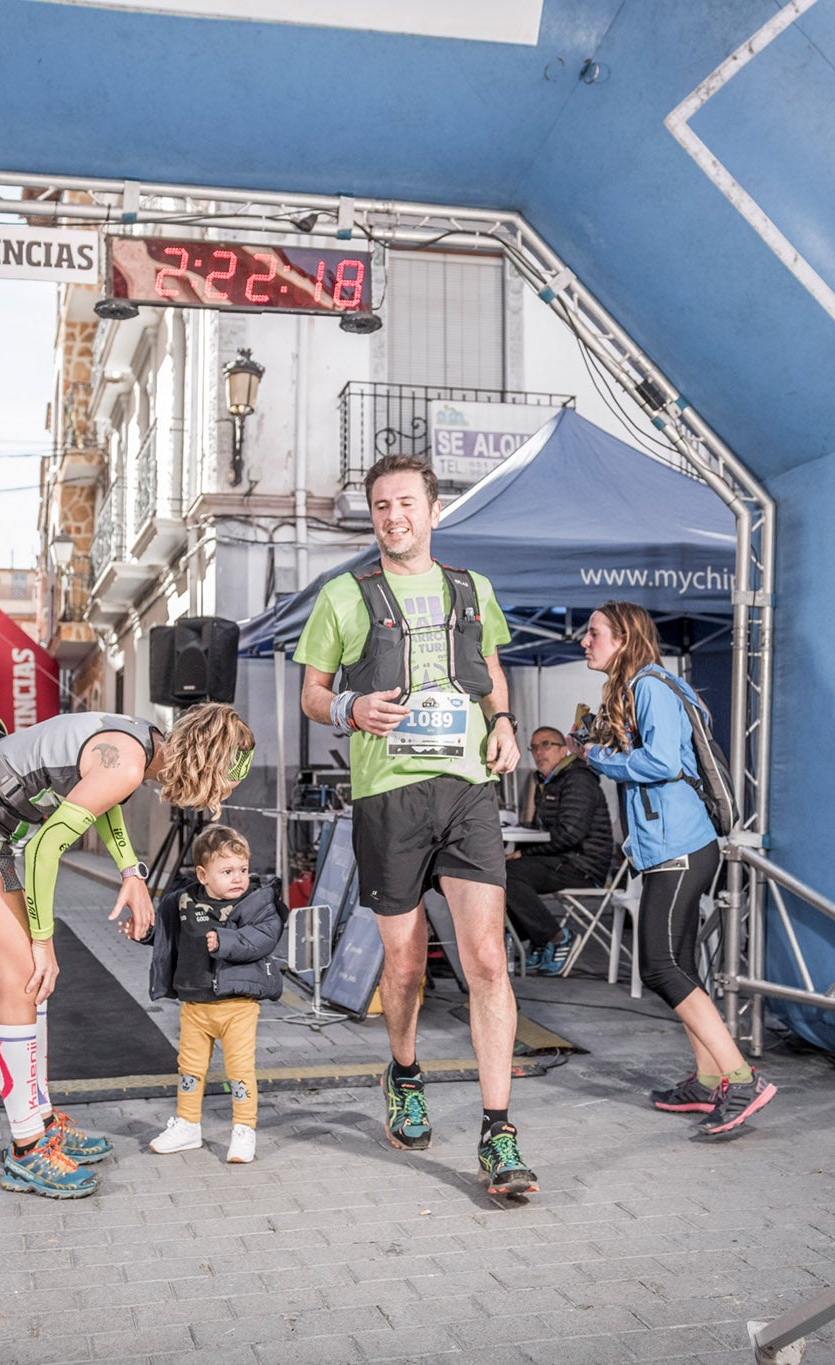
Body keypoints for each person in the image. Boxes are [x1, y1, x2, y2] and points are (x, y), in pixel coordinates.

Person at [295, 452, 536, 1196]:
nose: (393, 517)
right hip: (387, 795)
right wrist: (348, 708)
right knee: (403, 965)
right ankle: (403, 1070)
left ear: (434, 510)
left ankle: (499, 1133)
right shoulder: (344, 594)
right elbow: (312, 692)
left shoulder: (473, 588)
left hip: (465, 788)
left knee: (487, 960)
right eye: (380, 507)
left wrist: (504, 723)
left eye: (405, 503)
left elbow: (491, 668)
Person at [0, 702, 255, 1198]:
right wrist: (44, 941)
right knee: (24, 975)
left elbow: (102, 801)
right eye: (220, 786)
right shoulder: (132, 761)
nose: (212, 797)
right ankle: (27, 1150)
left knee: (33, 983)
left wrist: (131, 871)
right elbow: (47, 846)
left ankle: (41, 1118)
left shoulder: (142, 741)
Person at [578, 600, 777, 1137]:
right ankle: (709, 1080)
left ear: (623, 637)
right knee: (681, 964)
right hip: (674, 846)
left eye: (593, 632)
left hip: (680, 849)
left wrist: (599, 758)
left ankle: (741, 1079)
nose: (584, 640)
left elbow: (662, 764)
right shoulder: (648, 686)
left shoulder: (648, 686)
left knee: (661, 967)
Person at [140, 825, 284, 1165]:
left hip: (237, 1008)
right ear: (203, 874)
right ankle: (188, 1124)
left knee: (239, 1071)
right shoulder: (183, 901)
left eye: (243, 870)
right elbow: (167, 935)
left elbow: (264, 937)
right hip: (195, 1005)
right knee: (189, 1069)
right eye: (227, 871)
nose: (238, 878)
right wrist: (144, 932)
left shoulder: (256, 904)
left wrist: (226, 942)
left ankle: (244, 1130)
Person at [507, 727, 614, 974]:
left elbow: (570, 834)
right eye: (534, 747)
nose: (539, 752)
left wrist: (524, 854)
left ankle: (555, 938)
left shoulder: (577, 779)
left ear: (563, 748)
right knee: (500, 871)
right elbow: (542, 830)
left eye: (546, 745)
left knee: (509, 874)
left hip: (582, 865)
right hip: (560, 859)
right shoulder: (547, 781)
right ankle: (538, 939)